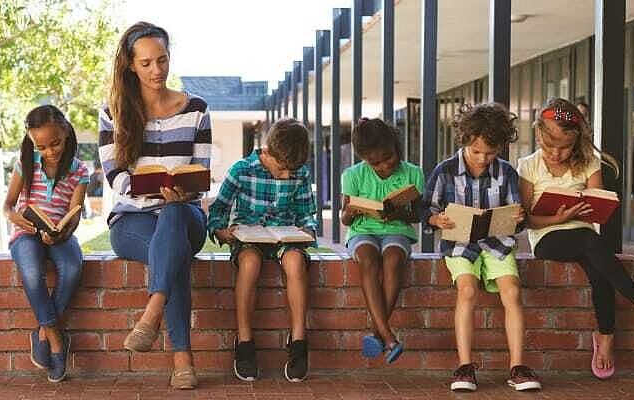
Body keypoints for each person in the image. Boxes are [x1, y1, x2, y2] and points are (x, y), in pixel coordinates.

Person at [518, 98, 634, 379]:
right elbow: (527, 219)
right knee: (592, 244)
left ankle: (604, 337)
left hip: (584, 236)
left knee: (598, 268)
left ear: (577, 140)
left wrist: (586, 207)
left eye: (565, 147)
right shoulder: (528, 165)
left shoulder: (589, 163)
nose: (556, 153)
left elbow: (597, 203)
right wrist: (559, 218)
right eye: (549, 145)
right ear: (537, 134)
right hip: (547, 236)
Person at [98, 21, 211, 389]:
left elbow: (202, 170)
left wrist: (181, 191)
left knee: (175, 216)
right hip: (133, 221)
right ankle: (183, 360)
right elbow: (114, 174)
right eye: (146, 63)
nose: (156, 70)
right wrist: (150, 190)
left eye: (162, 60)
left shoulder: (196, 109)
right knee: (172, 254)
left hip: (185, 212)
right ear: (131, 65)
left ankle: (152, 311)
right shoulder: (113, 111)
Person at [421, 103, 541, 392]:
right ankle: (464, 366)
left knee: (512, 291)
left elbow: (517, 215)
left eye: (491, 153)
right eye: (476, 152)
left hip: (497, 242)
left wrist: (518, 218)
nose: (483, 158)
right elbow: (426, 209)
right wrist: (437, 219)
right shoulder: (445, 170)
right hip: (460, 242)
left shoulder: (507, 172)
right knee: (467, 289)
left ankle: (517, 367)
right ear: (464, 141)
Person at [208, 118, 318, 383]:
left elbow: (307, 215)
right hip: (249, 236)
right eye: (281, 169)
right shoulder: (242, 170)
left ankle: (299, 342)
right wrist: (222, 232)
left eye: (292, 171)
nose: (287, 176)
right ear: (267, 153)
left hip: (285, 236)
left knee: (294, 262)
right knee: (249, 263)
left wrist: (308, 231)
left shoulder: (299, 172)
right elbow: (217, 212)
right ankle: (244, 342)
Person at [4, 105, 88, 383]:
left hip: (58, 232)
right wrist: (14, 215)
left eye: (55, 143)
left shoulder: (79, 171)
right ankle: (54, 339)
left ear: (66, 133)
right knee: (30, 270)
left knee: (73, 266)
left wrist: (61, 231)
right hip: (26, 231)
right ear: (31, 141)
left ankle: (42, 330)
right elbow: (7, 205)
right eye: (41, 146)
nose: (50, 151)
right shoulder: (24, 164)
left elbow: (74, 214)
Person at [341, 118, 424, 365]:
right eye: (376, 163)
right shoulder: (352, 175)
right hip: (362, 229)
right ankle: (388, 337)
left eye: (389, 157)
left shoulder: (413, 172)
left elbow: (418, 214)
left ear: (395, 146)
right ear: (364, 159)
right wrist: (353, 210)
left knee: (393, 259)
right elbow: (345, 218)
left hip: (397, 229)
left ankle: (378, 334)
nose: (385, 165)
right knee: (368, 260)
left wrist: (397, 212)